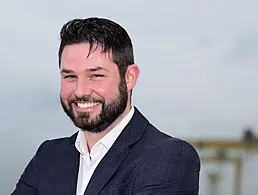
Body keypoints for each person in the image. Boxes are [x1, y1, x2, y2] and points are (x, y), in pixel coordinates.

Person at [11, 17, 200, 195]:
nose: (80, 91)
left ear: (129, 78)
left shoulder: (168, 156)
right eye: (70, 76)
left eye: (95, 75)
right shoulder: (49, 156)